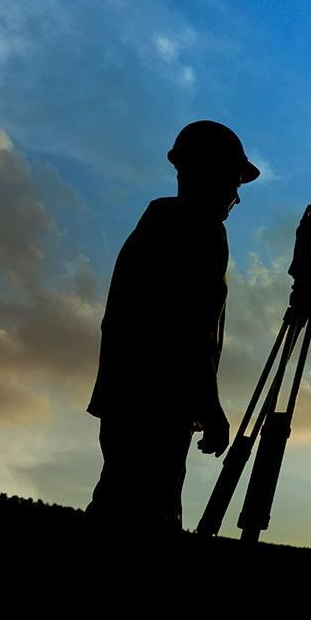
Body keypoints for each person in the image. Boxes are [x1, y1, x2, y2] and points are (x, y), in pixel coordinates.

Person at [84, 120, 259, 544]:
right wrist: (210, 408)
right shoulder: (202, 231)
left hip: (125, 398)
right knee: (144, 519)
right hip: (157, 404)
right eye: (233, 181)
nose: (237, 197)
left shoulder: (154, 224)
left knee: (117, 507)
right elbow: (190, 330)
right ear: (209, 174)